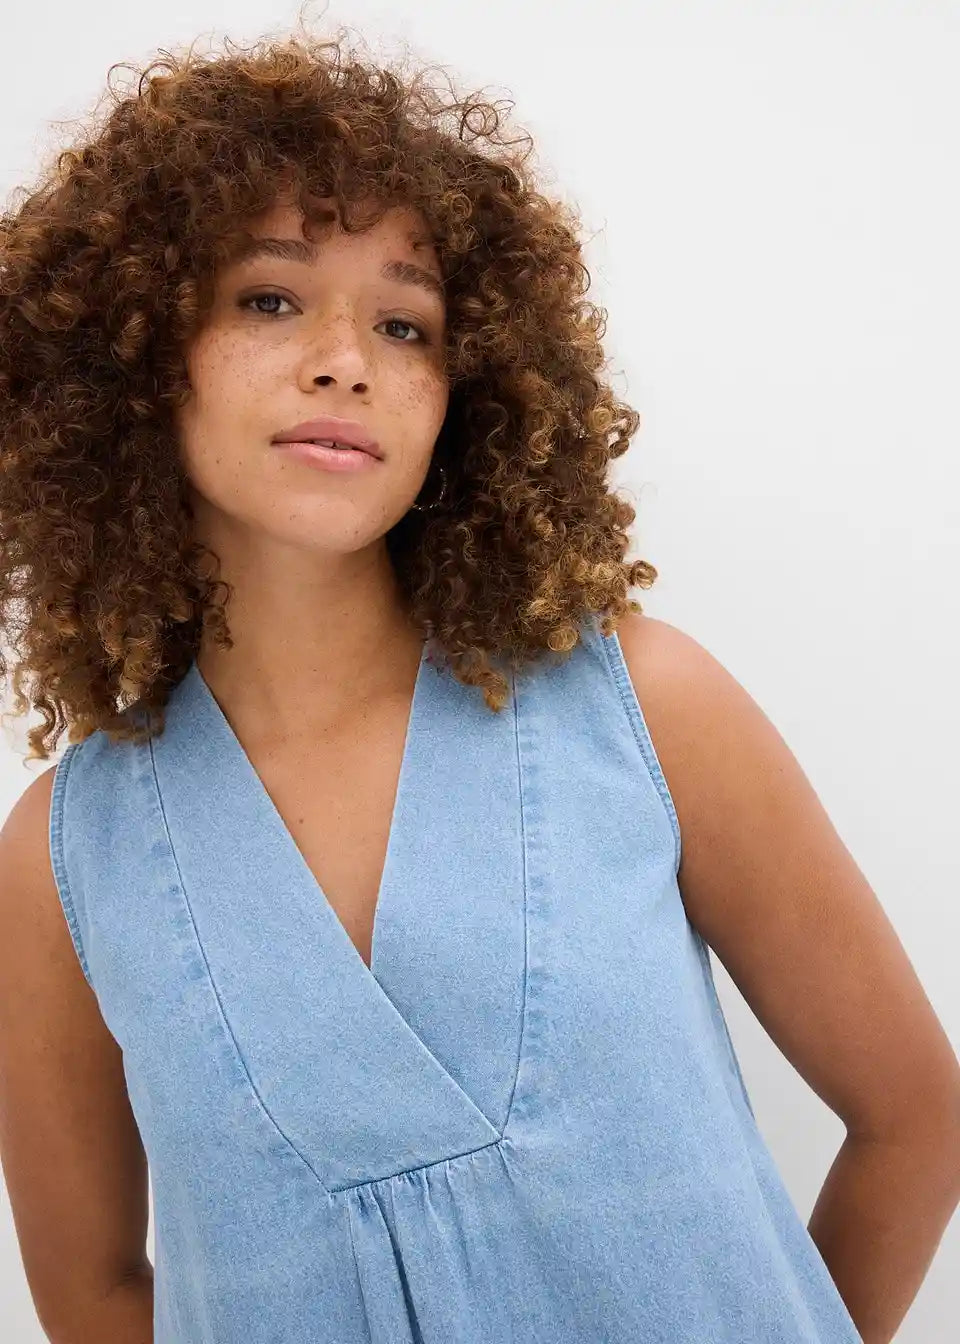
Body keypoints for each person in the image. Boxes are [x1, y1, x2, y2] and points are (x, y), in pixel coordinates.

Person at [0, 21, 958, 1344]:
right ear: (131, 355)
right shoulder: (63, 862)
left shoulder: (647, 710)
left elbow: (918, 1117)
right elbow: (96, 1293)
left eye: (407, 324)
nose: (346, 359)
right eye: (269, 298)